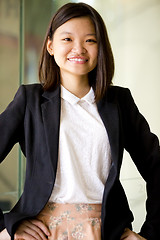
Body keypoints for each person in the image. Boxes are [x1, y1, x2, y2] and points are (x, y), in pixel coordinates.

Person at [0, 2, 159, 240]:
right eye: (67, 39)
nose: (79, 49)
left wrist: (150, 234)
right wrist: (4, 226)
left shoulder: (119, 102)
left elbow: (157, 168)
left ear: (100, 48)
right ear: (51, 46)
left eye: (90, 40)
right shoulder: (29, 100)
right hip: (42, 232)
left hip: (104, 231)